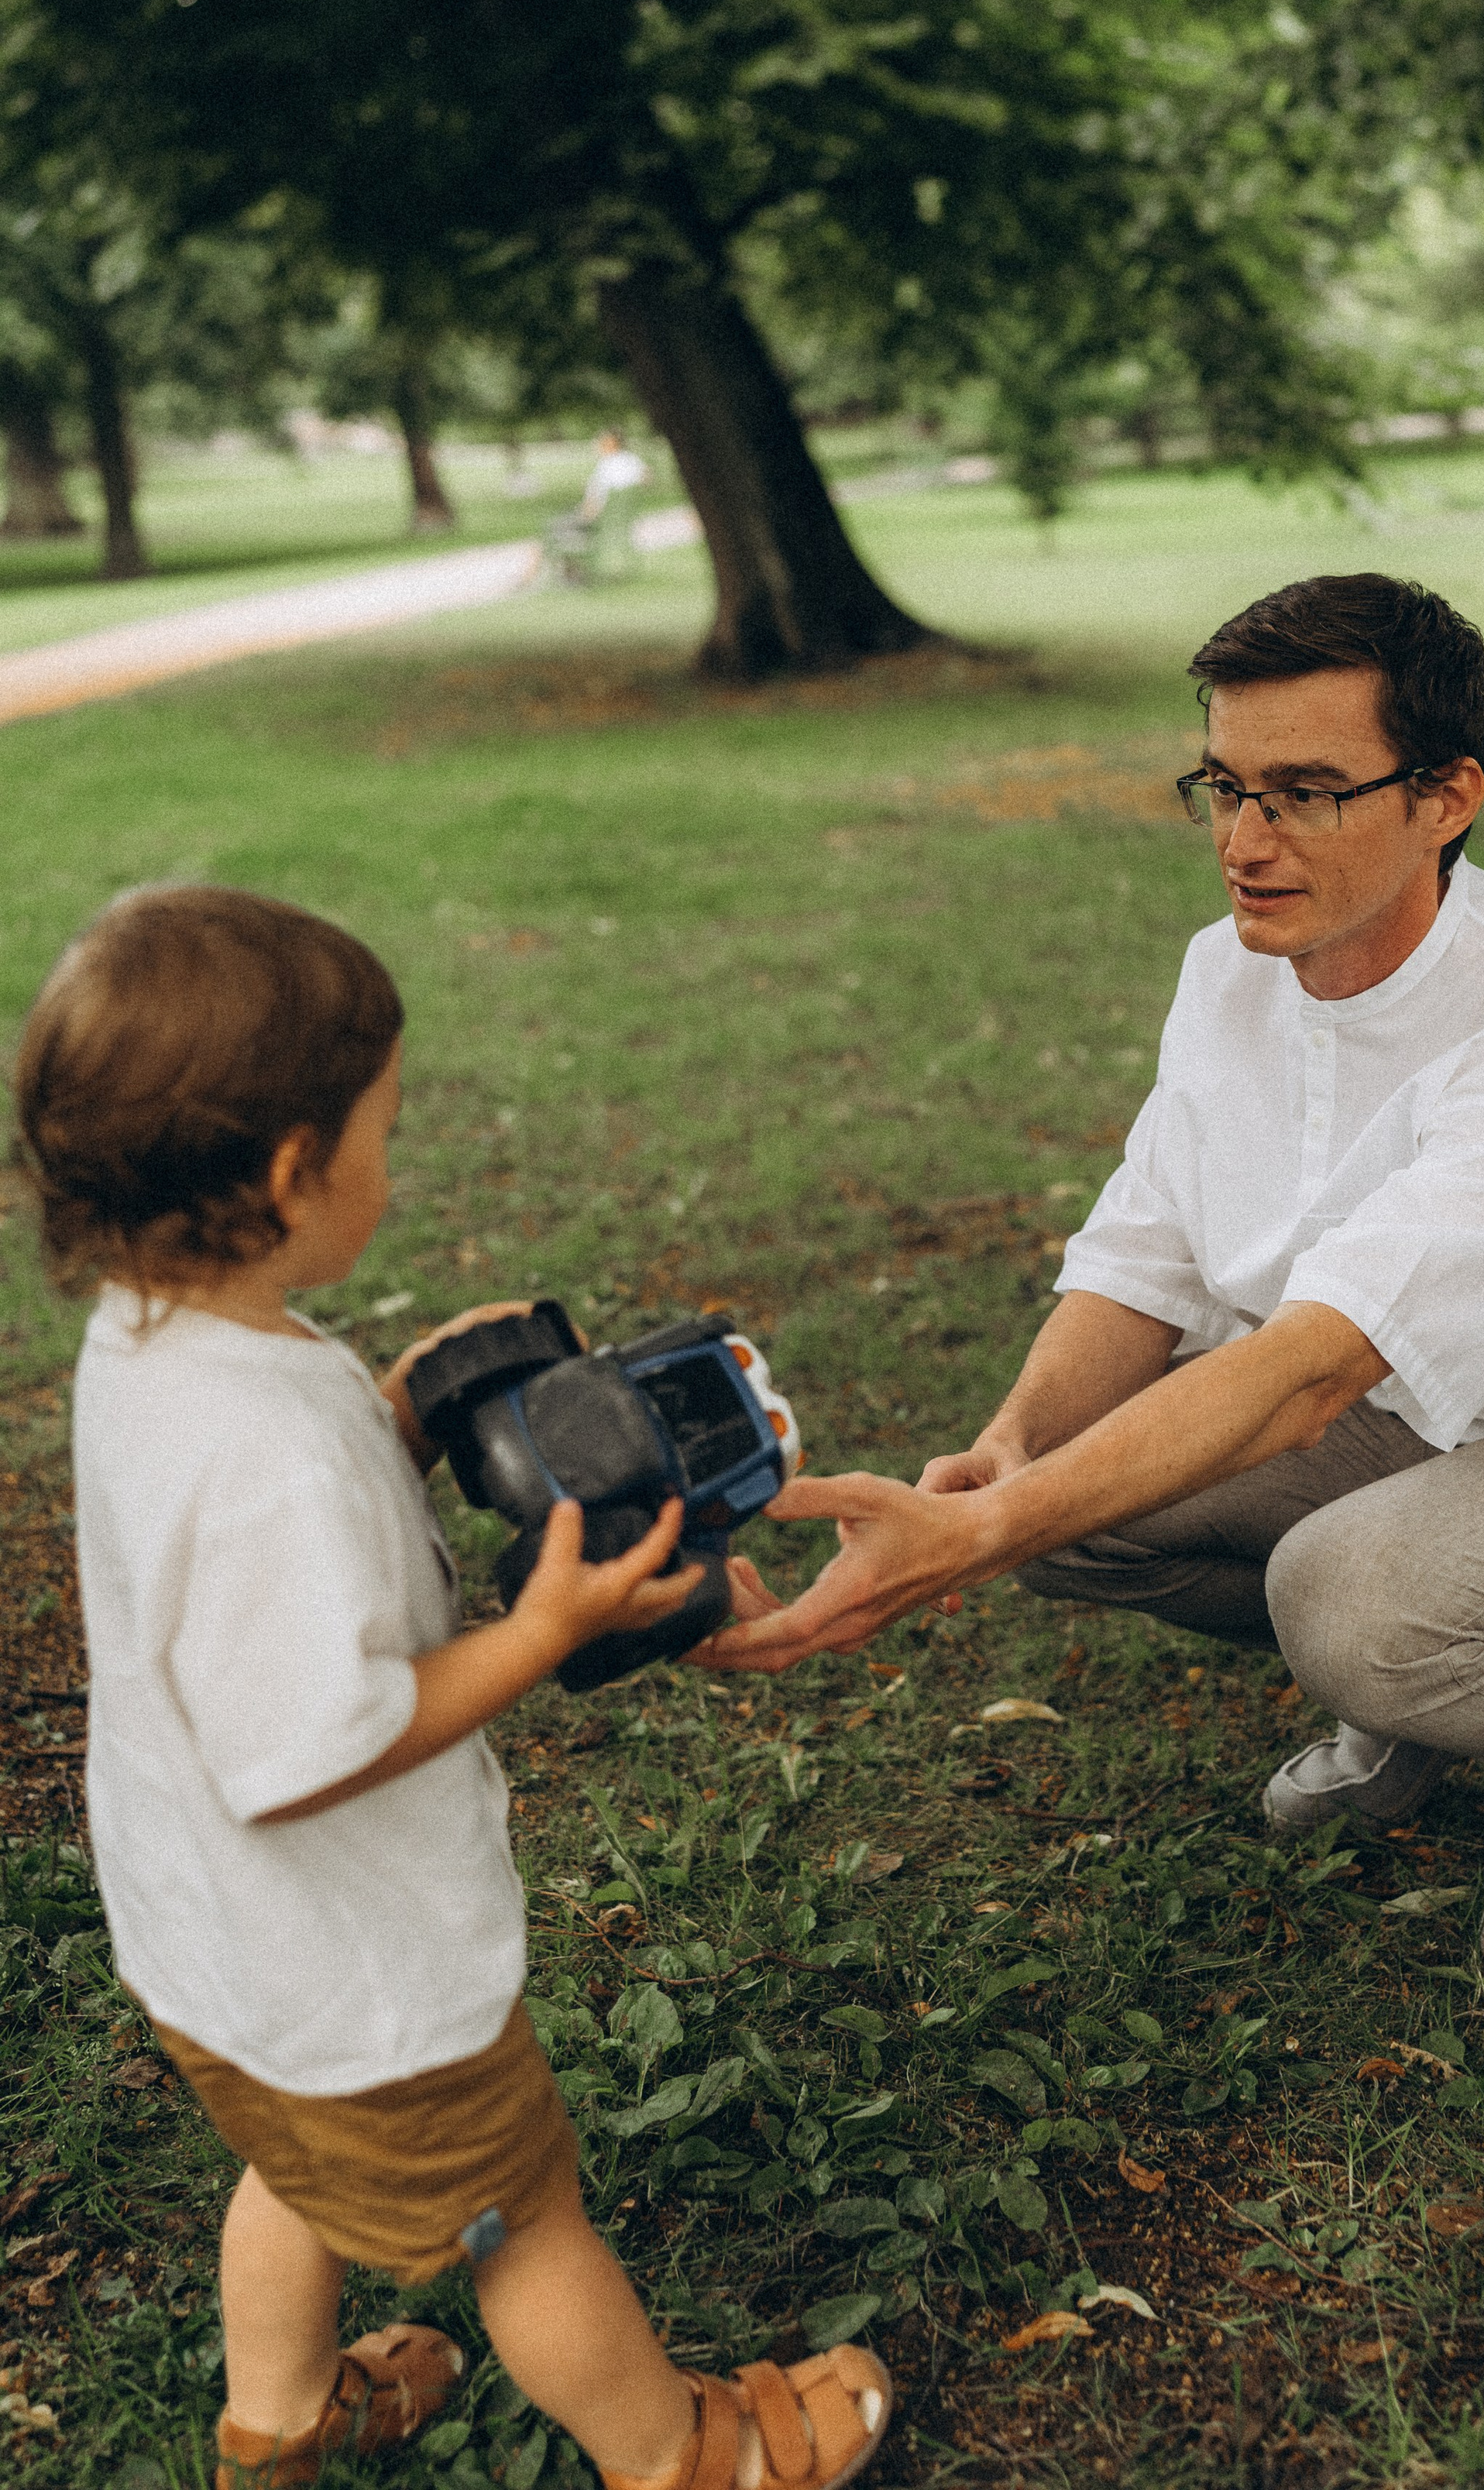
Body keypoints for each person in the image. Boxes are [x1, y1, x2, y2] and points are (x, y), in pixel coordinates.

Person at [709, 573, 1484, 1976]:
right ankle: (1424, 1696)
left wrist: (979, 1539)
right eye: (1223, 788)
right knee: (1076, 1501)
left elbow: (1305, 1376)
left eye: (1307, 792)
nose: (1247, 841)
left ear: (1448, 797)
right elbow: (1144, 1252)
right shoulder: (1230, 971)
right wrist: (1010, 1458)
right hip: (1409, 1416)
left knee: (1343, 1604)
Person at [14, 887, 891, 2490]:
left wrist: (408, 1412)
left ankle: (276, 2423)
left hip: (226, 1960)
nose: (391, 1164)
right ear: (292, 1171)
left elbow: (255, 1565)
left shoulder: (152, 1342)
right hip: (361, 1981)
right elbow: (302, 1743)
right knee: (522, 2220)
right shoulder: (262, 1447)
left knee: (296, 2163)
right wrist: (541, 1632)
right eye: (385, 1132)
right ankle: (685, 2455)